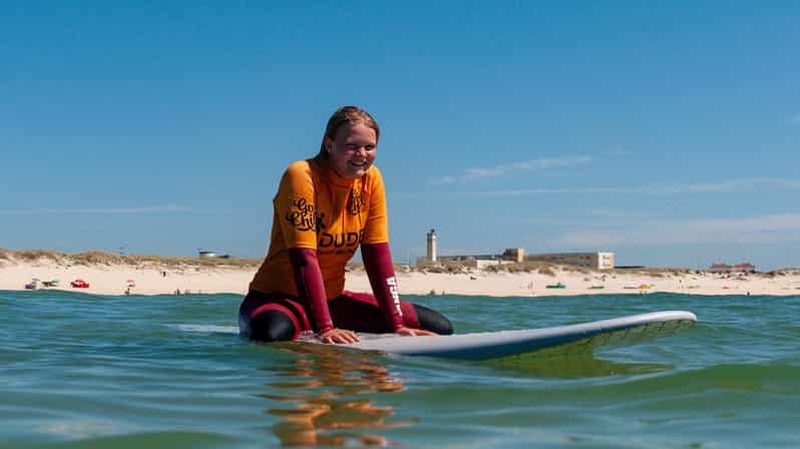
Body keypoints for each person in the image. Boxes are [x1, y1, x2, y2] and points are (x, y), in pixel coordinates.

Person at [239, 106, 453, 344]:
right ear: (329, 145)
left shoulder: (371, 180)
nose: (361, 154)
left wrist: (397, 324)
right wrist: (326, 328)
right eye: (352, 146)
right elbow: (304, 259)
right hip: (279, 301)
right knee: (271, 333)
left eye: (369, 147)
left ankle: (317, 324)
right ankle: (310, 326)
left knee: (439, 326)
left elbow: (377, 257)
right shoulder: (302, 175)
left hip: (331, 303)